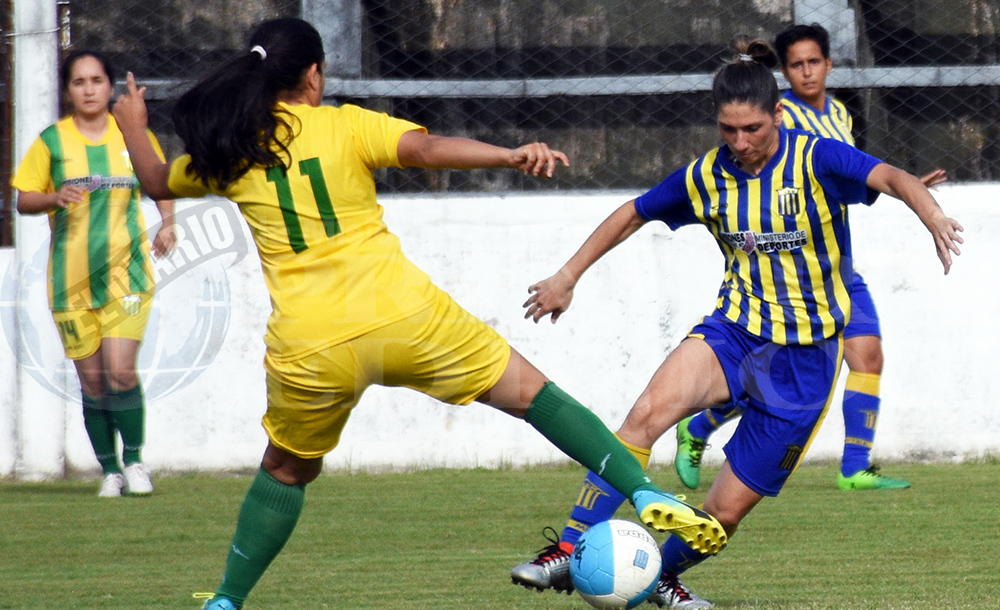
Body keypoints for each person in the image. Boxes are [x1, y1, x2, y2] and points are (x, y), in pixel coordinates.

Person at [111, 17, 725, 610]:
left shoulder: (235, 150)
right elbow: (426, 149)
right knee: (537, 398)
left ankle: (227, 599)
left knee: (285, 470)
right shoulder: (343, 126)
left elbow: (158, 180)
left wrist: (134, 123)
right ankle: (643, 492)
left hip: (312, 345)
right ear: (314, 76)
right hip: (404, 315)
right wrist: (507, 155)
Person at [512, 35, 962, 609]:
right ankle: (566, 549)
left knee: (721, 514)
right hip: (735, 333)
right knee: (645, 415)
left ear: (778, 114)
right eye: (728, 130)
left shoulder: (817, 158)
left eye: (752, 129)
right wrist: (567, 275)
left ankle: (659, 580)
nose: (740, 143)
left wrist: (933, 216)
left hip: (804, 363)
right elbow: (633, 213)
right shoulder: (706, 175)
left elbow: (894, 177)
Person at [673, 23, 947, 493]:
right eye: (796, 64)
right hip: (786, 281)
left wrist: (909, 187)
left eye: (814, 62)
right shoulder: (783, 120)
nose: (807, 72)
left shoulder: (839, 113)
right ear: (783, 73)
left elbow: (847, 177)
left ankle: (854, 466)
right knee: (770, 373)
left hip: (835, 268)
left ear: (829, 65)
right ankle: (697, 428)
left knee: (868, 354)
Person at [12, 50, 176, 498]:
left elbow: (159, 179)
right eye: (79, 82)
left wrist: (169, 221)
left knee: (121, 372)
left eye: (97, 80)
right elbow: (24, 199)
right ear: (68, 91)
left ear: (109, 87)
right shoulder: (52, 142)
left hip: (128, 273)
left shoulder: (131, 134)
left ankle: (137, 461)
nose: (89, 89)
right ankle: (110, 470)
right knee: (93, 381)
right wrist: (53, 197)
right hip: (70, 281)